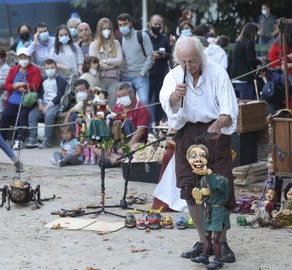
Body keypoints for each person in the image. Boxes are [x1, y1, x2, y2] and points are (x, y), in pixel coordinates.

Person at [159, 37, 238, 262]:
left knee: (220, 185)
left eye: (192, 62)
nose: (187, 66)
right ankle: (204, 241)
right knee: (188, 185)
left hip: (214, 131)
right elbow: (167, 104)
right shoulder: (173, 76)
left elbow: (229, 109)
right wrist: (175, 96)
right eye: (183, 62)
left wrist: (218, 124)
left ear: (200, 56)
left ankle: (221, 242)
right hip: (186, 132)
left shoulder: (217, 73)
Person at [98, 82, 150, 168]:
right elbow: (112, 127)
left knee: (135, 147)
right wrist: (109, 145)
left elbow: (140, 131)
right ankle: (124, 159)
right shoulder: (117, 107)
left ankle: (117, 159)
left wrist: (127, 147)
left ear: (132, 94)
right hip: (119, 143)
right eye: (119, 96)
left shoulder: (141, 108)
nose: (121, 98)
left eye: (123, 95)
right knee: (96, 145)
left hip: (135, 142)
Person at [0, 47, 42, 150]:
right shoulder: (13, 69)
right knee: (5, 115)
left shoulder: (35, 70)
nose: (23, 60)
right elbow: (6, 85)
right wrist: (14, 86)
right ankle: (1, 139)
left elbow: (36, 86)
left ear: (29, 58)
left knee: (22, 116)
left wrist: (25, 86)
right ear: (17, 58)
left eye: (25, 57)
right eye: (21, 57)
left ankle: (19, 140)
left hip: (26, 100)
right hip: (13, 98)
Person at [26, 59, 67, 149]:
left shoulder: (61, 81)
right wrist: (40, 102)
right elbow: (41, 93)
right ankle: (33, 138)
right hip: (43, 103)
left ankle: (47, 139)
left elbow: (59, 95)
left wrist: (48, 106)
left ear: (56, 68)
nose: (50, 70)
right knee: (32, 115)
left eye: (52, 68)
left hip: (55, 104)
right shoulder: (44, 80)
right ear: (45, 69)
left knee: (49, 116)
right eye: (47, 68)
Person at [117, 13, 154, 106]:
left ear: (130, 23)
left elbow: (151, 55)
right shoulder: (120, 40)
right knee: (127, 104)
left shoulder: (141, 36)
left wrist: (143, 72)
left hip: (140, 76)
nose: (122, 27)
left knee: (144, 100)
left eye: (125, 24)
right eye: (120, 25)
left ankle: (150, 121)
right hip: (125, 77)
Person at [88, 18, 123, 108]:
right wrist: (111, 65)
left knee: (112, 106)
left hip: (114, 79)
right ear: (99, 30)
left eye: (109, 28)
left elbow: (119, 60)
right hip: (99, 79)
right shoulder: (93, 45)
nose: (106, 31)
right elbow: (94, 63)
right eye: (104, 29)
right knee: (100, 106)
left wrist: (105, 61)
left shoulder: (116, 43)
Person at [147, 14, 171, 125]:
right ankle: (147, 123)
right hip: (148, 75)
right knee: (147, 100)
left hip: (161, 74)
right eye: (155, 24)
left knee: (158, 101)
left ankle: (157, 123)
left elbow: (170, 53)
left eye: (159, 24)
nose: (157, 26)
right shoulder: (146, 37)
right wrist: (152, 55)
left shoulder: (164, 38)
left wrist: (163, 55)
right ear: (150, 24)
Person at [231, 23, 259, 99]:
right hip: (245, 77)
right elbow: (251, 60)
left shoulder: (237, 43)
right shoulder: (249, 43)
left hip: (236, 76)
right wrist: (260, 62)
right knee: (247, 104)